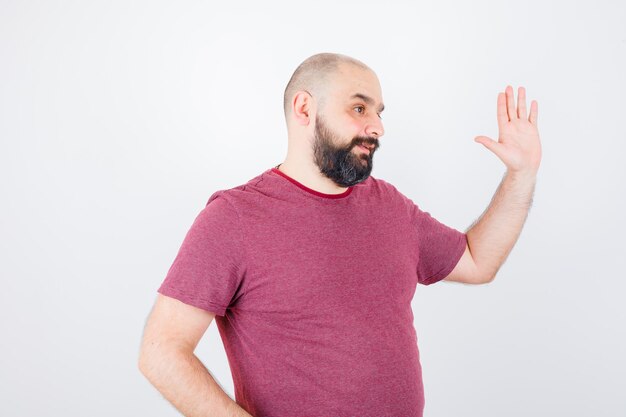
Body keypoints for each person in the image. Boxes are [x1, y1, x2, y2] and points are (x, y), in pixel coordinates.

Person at [138, 52, 541, 417]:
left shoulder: (390, 206)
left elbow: (477, 260)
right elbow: (161, 352)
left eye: (379, 112)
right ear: (304, 108)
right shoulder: (234, 218)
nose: (378, 126)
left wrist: (521, 175)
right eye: (359, 107)